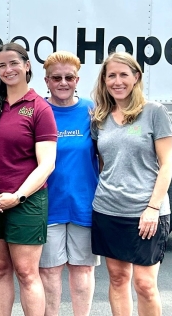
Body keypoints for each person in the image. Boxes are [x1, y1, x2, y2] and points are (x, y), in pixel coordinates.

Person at [0, 42, 57, 316]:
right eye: (2, 65)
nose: (8, 69)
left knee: (27, 272)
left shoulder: (40, 109)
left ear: (27, 66)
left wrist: (17, 197)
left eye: (14, 63)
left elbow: (47, 164)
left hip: (25, 201)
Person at [90, 52, 172, 316]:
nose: (117, 81)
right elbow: (104, 163)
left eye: (124, 75)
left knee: (145, 284)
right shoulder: (100, 117)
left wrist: (152, 207)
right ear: (104, 80)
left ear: (136, 77)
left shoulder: (154, 112)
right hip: (108, 209)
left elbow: (167, 164)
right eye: (111, 75)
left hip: (145, 212)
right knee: (117, 279)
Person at [38, 52, 100, 316]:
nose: (63, 83)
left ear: (77, 80)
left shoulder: (91, 111)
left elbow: (106, 155)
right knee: (49, 271)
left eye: (69, 77)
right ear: (47, 81)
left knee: (83, 269)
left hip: (84, 204)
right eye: (56, 78)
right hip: (46, 204)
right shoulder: (38, 110)